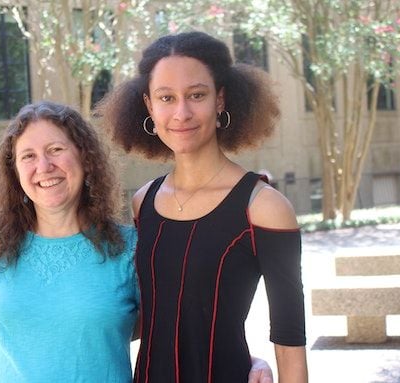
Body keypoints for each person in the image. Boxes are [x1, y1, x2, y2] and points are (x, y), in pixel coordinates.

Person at [0, 100, 275, 382]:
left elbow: (181, 329)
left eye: (56, 150)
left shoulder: (129, 250)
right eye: (28, 156)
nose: (44, 166)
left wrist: (247, 362)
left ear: (84, 158)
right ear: (14, 171)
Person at [97, 31, 308, 382]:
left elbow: (289, 340)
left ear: (220, 100)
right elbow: (163, 316)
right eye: (167, 97)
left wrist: (256, 362)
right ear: (149, 106)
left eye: (196, 95)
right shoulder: (142, 203)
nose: (182, 112)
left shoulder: (264, 207)